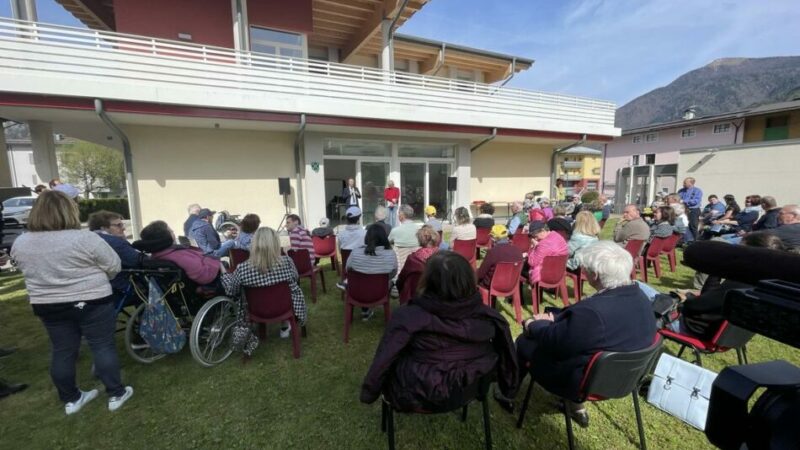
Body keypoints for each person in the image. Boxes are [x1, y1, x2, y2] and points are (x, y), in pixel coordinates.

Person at [10, 190, 133, 415]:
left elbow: (23, 267)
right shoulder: (84, 238)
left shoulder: (22, 242)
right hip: (92, 299)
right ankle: (116, 393)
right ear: (69, 211)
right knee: (102, 345)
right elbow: (114, 266)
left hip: (48, 304)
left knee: (62, 350)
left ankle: (71, 399)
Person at [515, 241, 656, 426]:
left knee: (524, 342)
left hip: (585, 381)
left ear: (595, 275)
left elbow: (555, 342)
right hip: (625, 377)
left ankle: (507, 393)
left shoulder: (592, 314)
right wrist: (558, 318)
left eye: (585, 269)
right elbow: (582, 329)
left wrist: (534, 324)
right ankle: (577, 407)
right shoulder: (640, 296)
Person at [360, 251, 518, 412]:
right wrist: (508, 387)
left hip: (416, 394)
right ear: (468, 280)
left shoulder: (407, 315)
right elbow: (508, 357)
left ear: (427, 281)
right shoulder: (490, 316)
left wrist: (369, 392)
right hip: (469, 388)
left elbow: (384, 358)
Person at [669, 233, 788, 339]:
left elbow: (695, 306)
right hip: (730, 338)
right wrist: (719, 270)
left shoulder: (740, 283)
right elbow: (708, 297)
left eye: (739, 249)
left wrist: (684, 299)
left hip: (691, 328)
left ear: (750, 254)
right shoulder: (764, 283)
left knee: (650, 296)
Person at [222, 227, 307, 345]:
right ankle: (284, 324)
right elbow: (295, 278)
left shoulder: (242, 268)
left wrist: (224, 275)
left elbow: (232, 291)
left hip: (256, 310)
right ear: (275, 243)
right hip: (284, 306)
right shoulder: (287, 262)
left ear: (254, 244)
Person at [135, 221, 221, 285]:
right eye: (171, 231)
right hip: (211, 283)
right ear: (165, 237)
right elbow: (204, 276)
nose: (173, 232)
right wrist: (216, 264)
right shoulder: (179, 257)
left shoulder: (157, 256)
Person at [87, 210, 147, 298]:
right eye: (118, 225)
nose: (123, 228)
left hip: (92, 288)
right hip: (118, 288)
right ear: (104, 228)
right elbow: (138, 261)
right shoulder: (115, 243)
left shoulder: (87, 239)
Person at [345, 224, 398, 320]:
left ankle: (365, 310)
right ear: (384, 237)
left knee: (361, 281)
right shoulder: (390, 254)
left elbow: (348, 269)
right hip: (380, 292)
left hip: (357, 292)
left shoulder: (355, 253)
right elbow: (393, 272)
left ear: (367, 237)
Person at [396, 225, 440, 301]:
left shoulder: (412, 259)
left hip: (414, 296)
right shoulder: (444, 257)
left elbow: (401, 279)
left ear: (420, 240)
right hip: (438, 297)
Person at [388, 205, 421, 277]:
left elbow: (387, 243)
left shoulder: (395, 231)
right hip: (418, 270)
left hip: (401, 271)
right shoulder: (420, 230)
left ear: (402, 215)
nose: (397, 215)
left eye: (398, 213)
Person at [678, 177, 703, 241]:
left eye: (685, 183)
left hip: (693, 210)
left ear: (691, 183)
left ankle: (696, 241)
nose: (683, 184)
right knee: (684, 225)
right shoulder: (681, 191)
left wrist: (684, 201)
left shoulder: (697, 191)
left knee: (693, 226)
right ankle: (686, 240)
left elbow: (695, 201)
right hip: (683, 210)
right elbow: (677, 198)